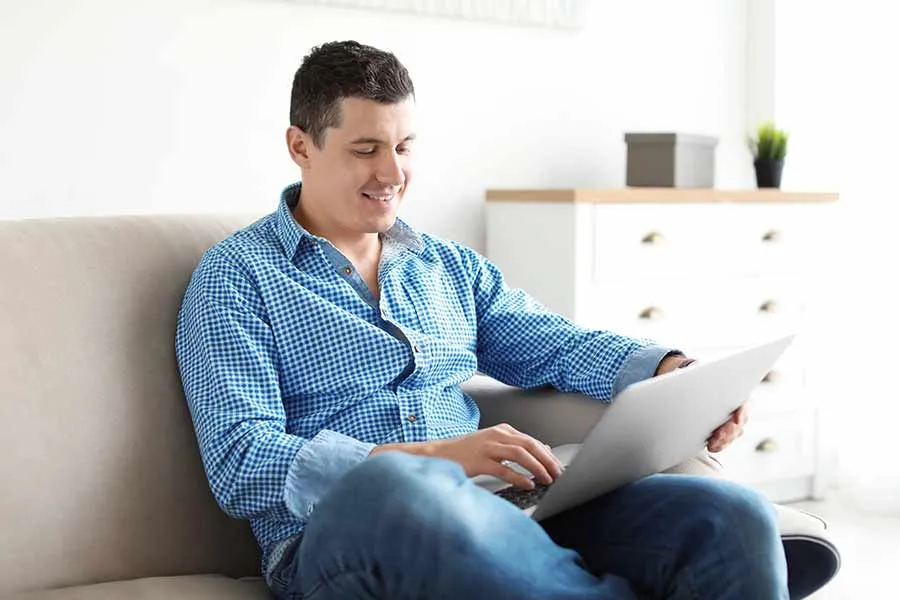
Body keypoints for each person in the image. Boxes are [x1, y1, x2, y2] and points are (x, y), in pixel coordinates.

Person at [175, 40, 787, 599]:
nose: (392, 174)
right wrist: (437, 457)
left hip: (501, 512)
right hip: (346, 536)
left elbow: (557, 347)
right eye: (365, 150)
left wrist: (669, 370)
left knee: (731, 517)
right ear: (300, 146)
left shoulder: (448, 267)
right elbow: (241, 460)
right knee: (400, 488)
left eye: (404, 147)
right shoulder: (237, 276)